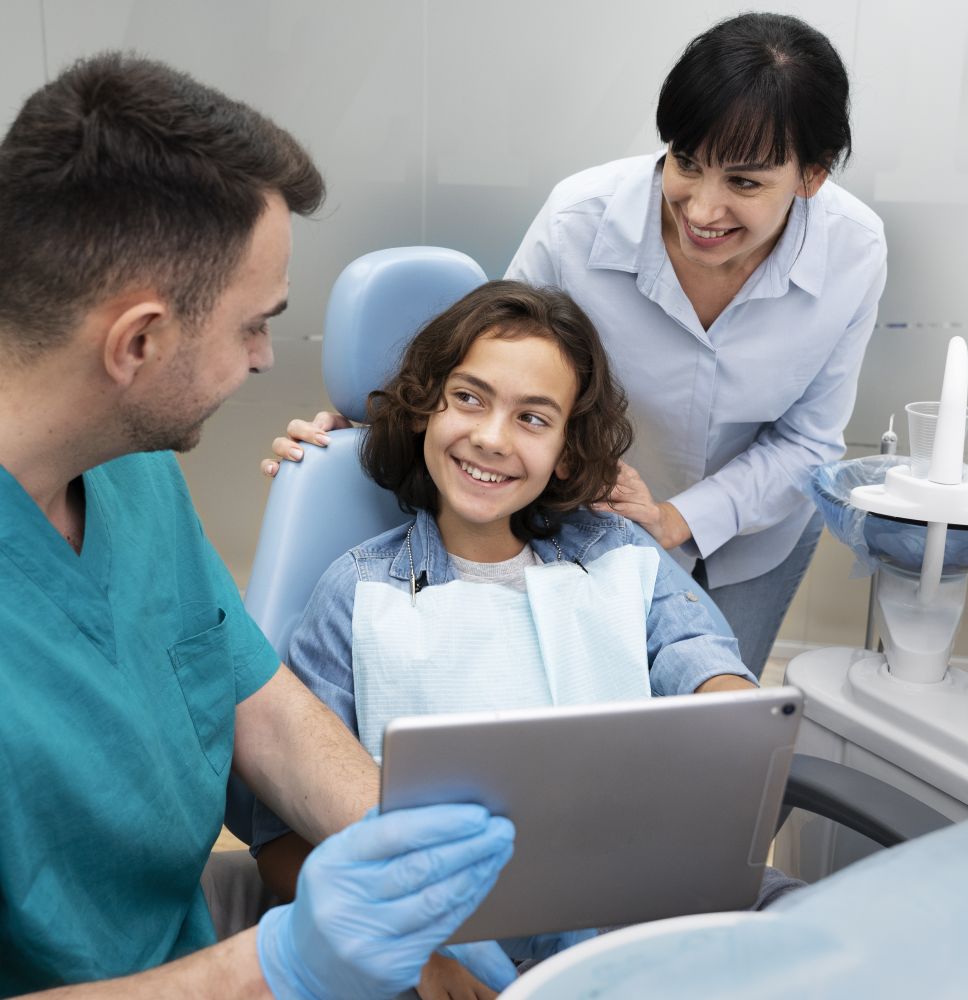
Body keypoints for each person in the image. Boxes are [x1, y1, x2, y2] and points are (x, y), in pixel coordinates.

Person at [0, 53, 517, 1000]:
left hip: (189, 943)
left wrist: (418, 868)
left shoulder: (132, 469)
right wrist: (280, 969)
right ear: (138, 342)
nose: (267, 357)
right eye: (252, 325)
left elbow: (257, 701)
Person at [267, 12, 887, 678]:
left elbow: (809, 441)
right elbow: (491, 365)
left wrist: (676, 518)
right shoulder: (579, 221)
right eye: (686, 162)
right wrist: (366, 425)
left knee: (703, 701)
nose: (703, 210)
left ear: (811, 178)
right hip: (581, 527)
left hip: (754, 536)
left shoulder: (854, 252)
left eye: (744, 182)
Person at [251, 281, 760, 921]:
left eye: (533, 418)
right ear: (421, 409)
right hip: (447, 931)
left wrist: (735, 740)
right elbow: (282, 845)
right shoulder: (359, 593)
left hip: (635, 909)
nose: (493, 438)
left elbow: (706, 672)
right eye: (468, 399)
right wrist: (418, 938)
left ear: (567, 452)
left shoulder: (620, 555)